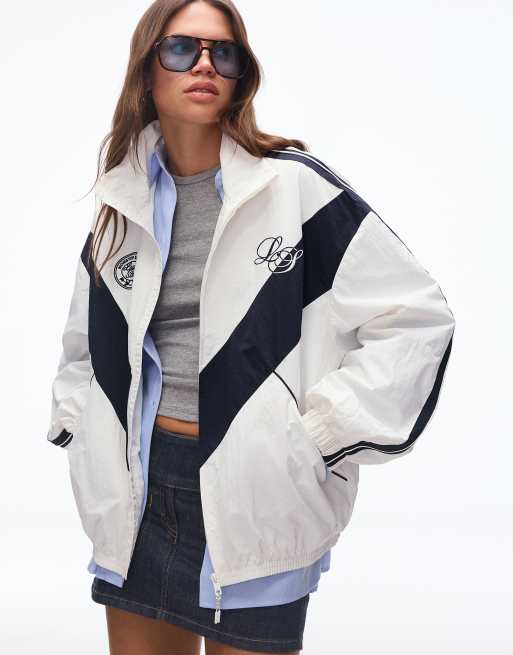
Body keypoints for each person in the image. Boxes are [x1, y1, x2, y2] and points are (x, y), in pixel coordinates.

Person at [46, 0, 456, 653]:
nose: (205, 63)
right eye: (182, 48)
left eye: (224, 52)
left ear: (242, 74)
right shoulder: (122, 201)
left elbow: (415, 317)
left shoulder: (293, 189)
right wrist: (81, 429)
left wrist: (318, 436)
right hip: (136, 496)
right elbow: (83, 344)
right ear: (147, 68)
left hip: (256, 497)